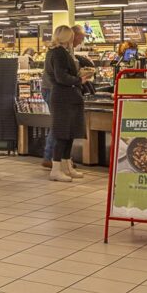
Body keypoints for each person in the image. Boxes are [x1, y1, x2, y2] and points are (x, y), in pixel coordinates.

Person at [44, 25, 92, 182]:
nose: (73, 38)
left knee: (69, 133)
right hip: (63, 98)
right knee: (62, 134)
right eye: (71, 35)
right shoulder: (58, 53)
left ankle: (66, 167)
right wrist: (79, 79)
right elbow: (61, 77)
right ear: (66, 36)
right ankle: (56, 169)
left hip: (66, 97)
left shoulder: (58, 51)